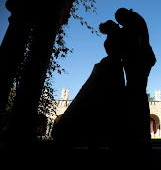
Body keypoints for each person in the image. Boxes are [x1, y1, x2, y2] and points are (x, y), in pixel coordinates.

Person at [52, 20, 125, 148]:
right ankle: (103, 138)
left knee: (100, 101)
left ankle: (96, 138)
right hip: (113, 68)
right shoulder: (118, 36)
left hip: (110, 67)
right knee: (106, 101)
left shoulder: (113, 38)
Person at [115, 8, 156, 151]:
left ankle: (140, 137)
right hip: (138, 61)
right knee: (136, 95)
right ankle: (139, 136)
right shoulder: (133, 21)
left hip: (138, 61)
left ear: (123, 17)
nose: (120, 24)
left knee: (137, 95)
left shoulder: (134, 21)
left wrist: (135, 58)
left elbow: (137, 41)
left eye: (120, 21)